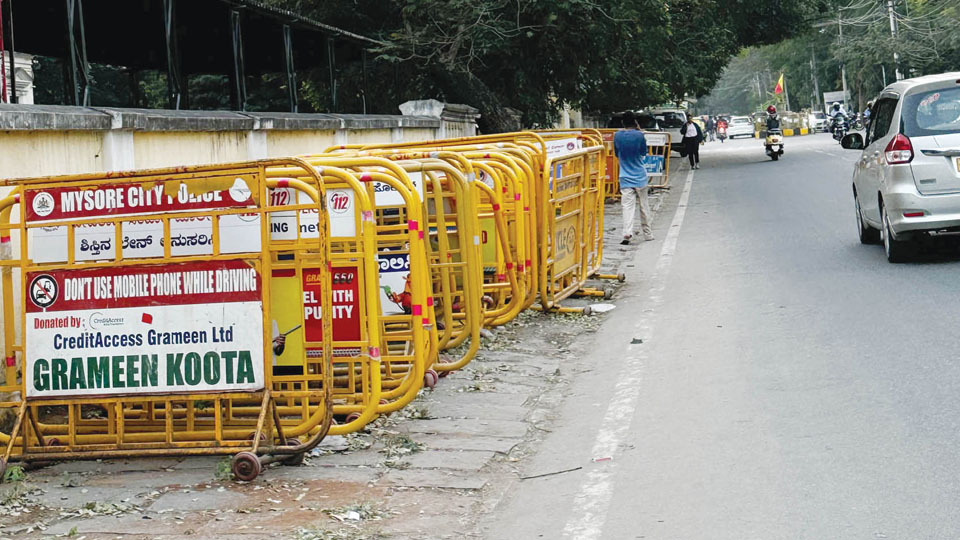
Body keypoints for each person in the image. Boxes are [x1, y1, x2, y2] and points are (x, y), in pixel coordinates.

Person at [613, 111, 654, 245]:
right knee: (644, 206)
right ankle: (647, 234)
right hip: (640, 176)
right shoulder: (639, 135)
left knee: (627, 207)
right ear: (635, 122)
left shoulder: (617, 136)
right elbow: (643, 152)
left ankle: (627, 233)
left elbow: (616, 153)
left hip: (624, 177)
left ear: (623, 122)